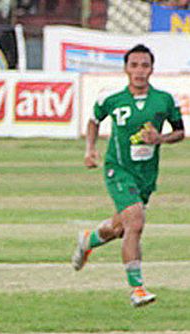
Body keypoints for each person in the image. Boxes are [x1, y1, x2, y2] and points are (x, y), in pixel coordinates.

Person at [72, 44, 184, 307]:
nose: (139, 71)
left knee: (121, 227)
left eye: (144, 65)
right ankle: (137, 288)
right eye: (134, 65)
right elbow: (93, 120)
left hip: (145, 175)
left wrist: (161, 138)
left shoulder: (164, 100)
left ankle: (88, 240)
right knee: (136, 222)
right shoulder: (111, 99)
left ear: (152, 69)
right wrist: (90, 150)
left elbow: (179, 131)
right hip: (118, 169)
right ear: (126, 69)